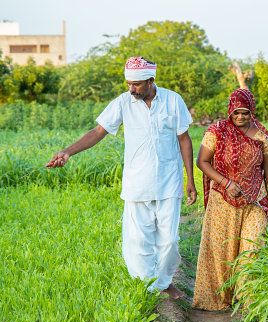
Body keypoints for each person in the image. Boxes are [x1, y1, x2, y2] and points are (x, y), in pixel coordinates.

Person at [47, 57, 197, 299]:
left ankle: (164, 283)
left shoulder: (173, 100)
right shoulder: (123, 103)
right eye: (128, 84)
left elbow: (184, 139)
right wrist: (67, 152)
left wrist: (190, 179)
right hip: (137, 183)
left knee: (169, 241)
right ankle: (147, 289)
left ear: (150, 80)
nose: (131, 89)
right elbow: (98, 132)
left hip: (169, 181)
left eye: (136, 85)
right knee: (138, 241)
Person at [192, 89, 268, 311]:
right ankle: (218, 301)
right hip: (223, 199)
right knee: (222, 251)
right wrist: (226, 183)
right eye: (236, 112)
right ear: (230, 111)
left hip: (255, 200)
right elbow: (202, 161)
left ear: (252, 112)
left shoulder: (261, 134)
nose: (240, 117)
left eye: (245, 112)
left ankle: (248, 303)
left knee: (252, 249)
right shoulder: (217, 132)